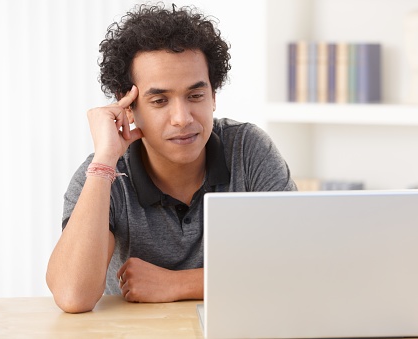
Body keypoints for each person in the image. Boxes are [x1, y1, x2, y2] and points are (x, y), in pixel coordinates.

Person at [46, 3, 296, 314]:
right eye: (160, 100)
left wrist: (177, 283)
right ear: (129, 107)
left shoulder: (247, 149)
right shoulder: (102, 173)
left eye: (195, 96)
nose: (182, 118)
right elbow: (73, 295)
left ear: (214, 96)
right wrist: (105, 160)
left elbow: (296, 269)